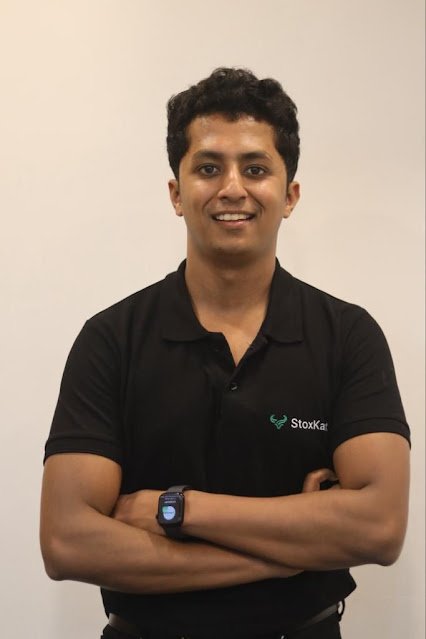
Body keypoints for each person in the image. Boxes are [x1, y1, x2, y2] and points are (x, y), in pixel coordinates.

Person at [40, 68, 410, 639]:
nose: (232, 188)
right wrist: (288, 557)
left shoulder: (348, 336)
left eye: (255, 169)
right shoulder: (111, 339)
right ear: (176, 193)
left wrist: (177, 510)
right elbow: (67, 542)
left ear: (289, 196)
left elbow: (380, 529)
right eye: (208, 168)